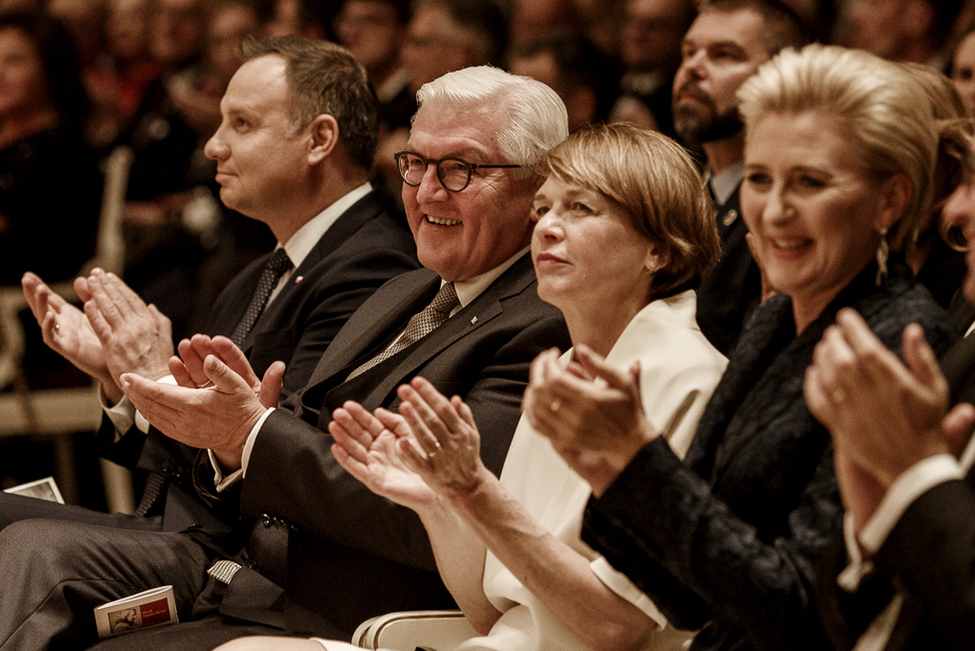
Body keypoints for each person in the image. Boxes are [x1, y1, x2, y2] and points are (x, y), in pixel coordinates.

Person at [0, 65, 570, 649]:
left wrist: (245, 429)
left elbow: (445, 518)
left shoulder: (542, 324)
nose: (426, 192)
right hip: (252, 574)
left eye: (460, 169)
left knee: (34, 556)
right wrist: (210, 421)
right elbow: (283, 430)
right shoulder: (404, 290)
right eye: (416, 164)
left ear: (542, 189)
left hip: (347, 611)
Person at [221, 122, 728, 651]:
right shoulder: (567, 367)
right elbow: (489, 611)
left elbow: (614, 626)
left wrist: (475, 493)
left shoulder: (685, 375)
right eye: (546, 208)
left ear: (660, 250)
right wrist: (439, 504)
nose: (549, 229)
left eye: (581, 209)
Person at [521, 44, 959, 651]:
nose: (775, 211)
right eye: (758, 178)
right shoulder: (774, 321)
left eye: (809, 182)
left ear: (890, 200)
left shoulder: (900, 344)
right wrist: (613, 466)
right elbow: (677, 590)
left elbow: (807, 615)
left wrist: (635, 459)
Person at [11, 35, 420, 533]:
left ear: (319, 140)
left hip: (241, 568)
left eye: (242, 124)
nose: (213, 145)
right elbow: (199, 452)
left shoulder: (372, 268)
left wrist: (155, 381)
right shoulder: (252, 273)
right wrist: (126, 381)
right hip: (180, 537)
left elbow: (280, 461)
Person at [806, 117, 975, 651]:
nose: (955, 211)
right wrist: (873, 523)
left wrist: (916, 477)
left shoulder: (913, 328)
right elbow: (838, 608)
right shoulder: (967, 349)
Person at [671, 0, 808, 356]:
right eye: (688, 52)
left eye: (724, 55)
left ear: (780, 77)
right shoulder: (675, 192)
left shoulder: (788, 214)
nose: (693, 67)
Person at [0, 11, 101, 286]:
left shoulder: (63, 147)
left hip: (32, 279)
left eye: (14, 61)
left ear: (49, 64)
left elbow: (49, 244)